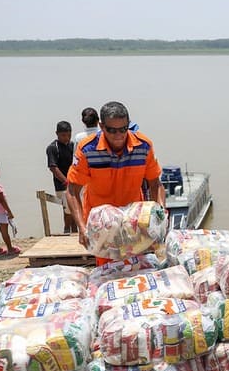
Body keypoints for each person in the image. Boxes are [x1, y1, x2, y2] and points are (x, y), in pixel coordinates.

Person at [66, 101, 166, 264]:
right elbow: (72, 190)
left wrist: (160, 214)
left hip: (133, 220)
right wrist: (82, 228)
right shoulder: (87, 150)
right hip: (102, 225)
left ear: (128, 125)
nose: (118, 135)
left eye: (123, 129)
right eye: (112, 130)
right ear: (101, 126)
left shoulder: (144, 146)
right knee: (108, 271)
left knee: (134, 267)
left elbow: (155, 183)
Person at [46, 121, 77, 234]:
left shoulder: (73, 145)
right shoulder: (53, 148)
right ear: (57, 134)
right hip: (62, 185)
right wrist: (67, 181)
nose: (67, 138)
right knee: (68, 211)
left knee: (75, 212)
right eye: (63, 135)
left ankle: (75, 234)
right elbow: (53, 168)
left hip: (75, 183)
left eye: (69, 135)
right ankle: (66, 232)